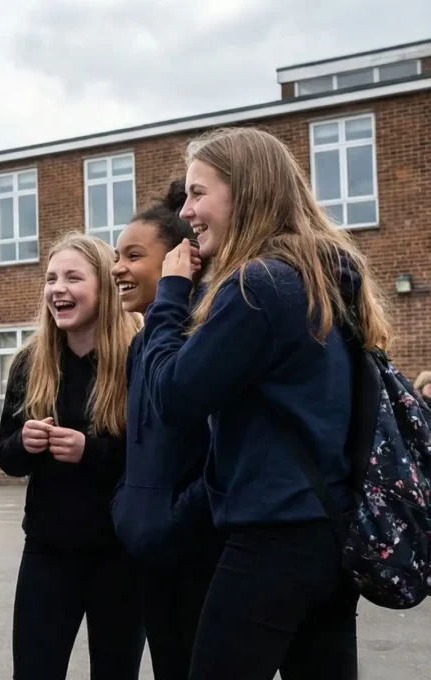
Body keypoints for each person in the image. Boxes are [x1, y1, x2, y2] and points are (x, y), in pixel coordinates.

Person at [141, 126, 388, 679]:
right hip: (328, 528)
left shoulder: (259, 286)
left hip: (274, 536)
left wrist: (171, 294)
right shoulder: (319, 276)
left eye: (199, 193)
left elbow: (173, 396)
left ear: (246, 192)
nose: (186, 211)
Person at [0, 233, 144, 680]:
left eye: (73, 278)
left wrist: (89, 451)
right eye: (51, 278)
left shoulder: (137, 356)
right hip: (48, 550)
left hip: (119, 554)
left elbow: (152, 456)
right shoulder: (30, 361)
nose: (58, 288)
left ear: (104, 286)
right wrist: (23, 443)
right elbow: (6, 455)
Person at [109, 181, 223, 680]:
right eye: (117, 256)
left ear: (181, 261)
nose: (118, 268)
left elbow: (223, 448)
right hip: (151, 552)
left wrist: (177, 516)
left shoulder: (201, 335)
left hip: (196, 552)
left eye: (134, 256)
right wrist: (128, 504)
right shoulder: (142, 343)